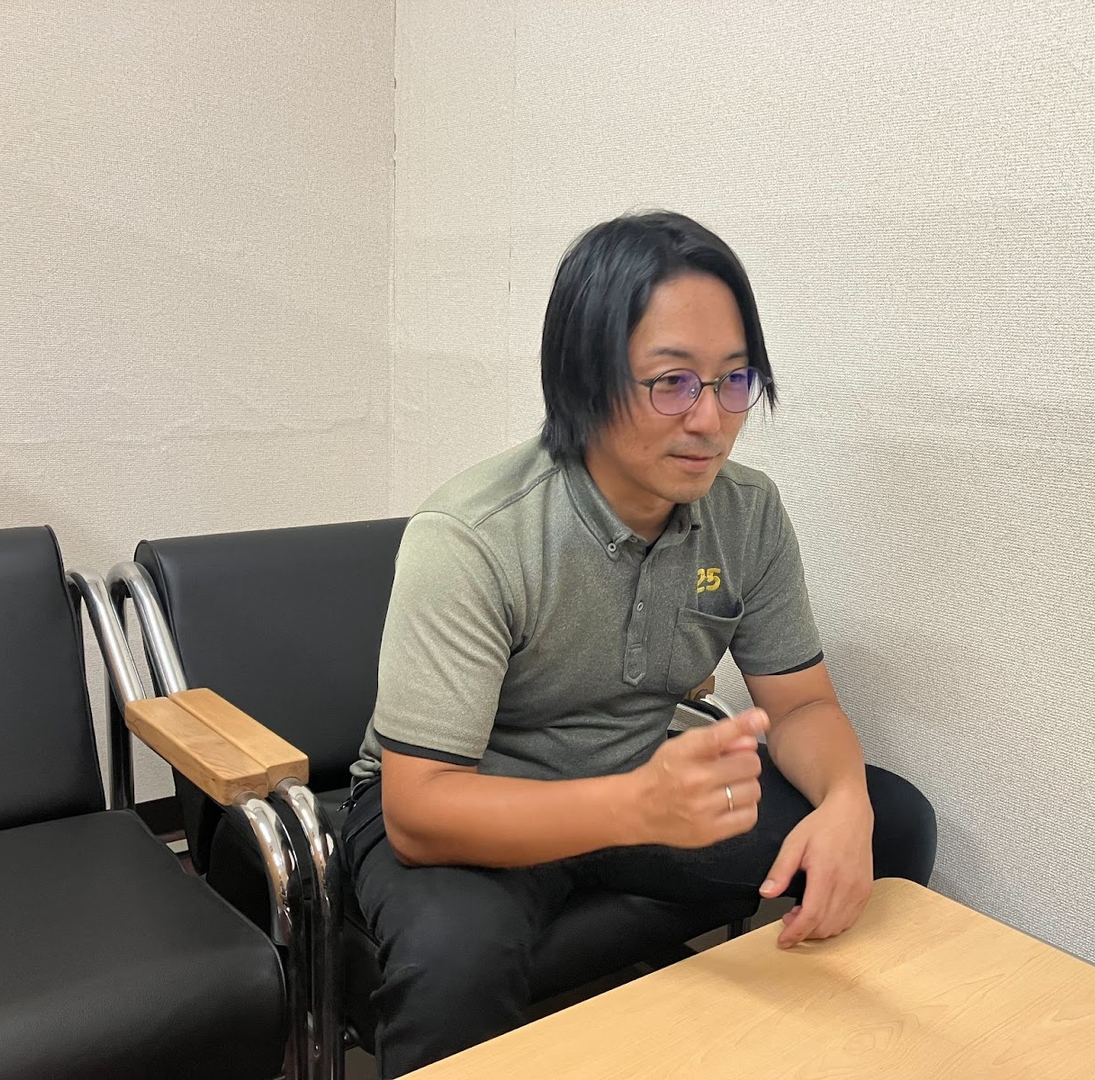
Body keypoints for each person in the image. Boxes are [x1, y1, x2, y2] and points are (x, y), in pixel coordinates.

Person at [344, 210, 937, 1077]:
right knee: (453, 968)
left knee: (892, 822)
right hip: (479, 806)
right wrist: (636, 806)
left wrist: (845, 801)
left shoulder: (747, 513)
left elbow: (802, 704)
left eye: (734, 380)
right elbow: (420, 809)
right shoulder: (474, 536)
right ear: (584, 379)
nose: (711, 419)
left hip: (648, 783)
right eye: (673, 382)